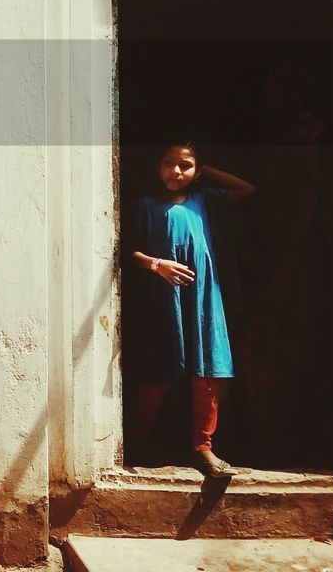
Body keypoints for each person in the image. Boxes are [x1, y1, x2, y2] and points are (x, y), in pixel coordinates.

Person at [127, 141, 256, 477]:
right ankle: (136, 443)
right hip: (163, 297)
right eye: (168, 163)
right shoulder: (145, 204)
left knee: (208, 373)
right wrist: (158, 265)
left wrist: (203, 170)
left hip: (203, 297)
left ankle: (203, 447)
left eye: (185, 165)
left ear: (197, 171)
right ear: (156, 166)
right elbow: (127, 252)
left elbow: (246, 188)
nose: (176, 171)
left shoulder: (204, 199)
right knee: (159, 371)